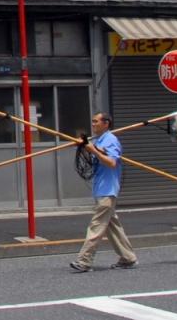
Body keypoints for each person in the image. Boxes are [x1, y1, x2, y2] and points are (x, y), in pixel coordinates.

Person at [70, 112, 138, 272]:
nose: (93, 124)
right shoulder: (99, 140)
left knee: (97, 225)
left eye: (96, 121)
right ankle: (128, 258)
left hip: (108, 191)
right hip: (101, 190)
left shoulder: (111, 140)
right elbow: (98, 150)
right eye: (92, 121)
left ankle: (84, 261)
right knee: (112, 227)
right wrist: (85, 146)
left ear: (106, 123)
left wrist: (93, 150)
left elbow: (112, 162)